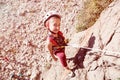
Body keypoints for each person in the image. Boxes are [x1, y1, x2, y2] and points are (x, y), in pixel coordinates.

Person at [44, 11, 74, 77]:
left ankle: (64, 60)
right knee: (62, 56)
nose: (58, 28)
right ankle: (66, 68)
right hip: (57, 50)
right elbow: (50, 50)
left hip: (62, 46)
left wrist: (65, 42)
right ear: (47, 26)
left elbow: (62, 38)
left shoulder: (59, 33)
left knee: (64, 54)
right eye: (55, 25)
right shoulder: (49, 40)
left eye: (59, 25)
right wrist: (53, 57)